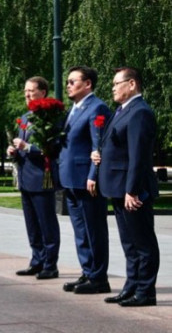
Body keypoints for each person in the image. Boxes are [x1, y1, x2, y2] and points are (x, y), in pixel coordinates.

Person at [92, 67, 159, 307]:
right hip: (118, 188)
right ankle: (131, 287)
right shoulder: (122, 110)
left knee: (143, 244)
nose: (112, 88)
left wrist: (132, 190)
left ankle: (145, 292)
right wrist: (101, 155)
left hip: (132, 190)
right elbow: (116, 145)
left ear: (131, 84)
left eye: (116, 83)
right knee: (129, 243)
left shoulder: (139, 112)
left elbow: (138, 155)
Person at [58, 66, 112, 295]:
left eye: (72, 81)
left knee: (94, 230)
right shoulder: (74, 108)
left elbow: (97, 146)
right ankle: (88, 271)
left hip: (86, 180)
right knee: (80, 230)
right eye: (68, 82)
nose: (68, 85)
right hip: (70, 179)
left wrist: (93, 175)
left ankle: (99, 277)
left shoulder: (96, 107)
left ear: (87, 84)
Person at [8, 77, 60, 280]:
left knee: (47, 224)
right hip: (26, 178)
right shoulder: (25, 116)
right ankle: (36, 260)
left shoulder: (50, 117)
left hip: (42, 178)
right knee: (32, 224)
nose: (27, 94)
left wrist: (27, 147)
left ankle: (50, 264)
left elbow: (53, 147)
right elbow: (22, 148)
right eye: (25, 91)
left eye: (31, 91)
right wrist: (13, 151)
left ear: (43, 92)